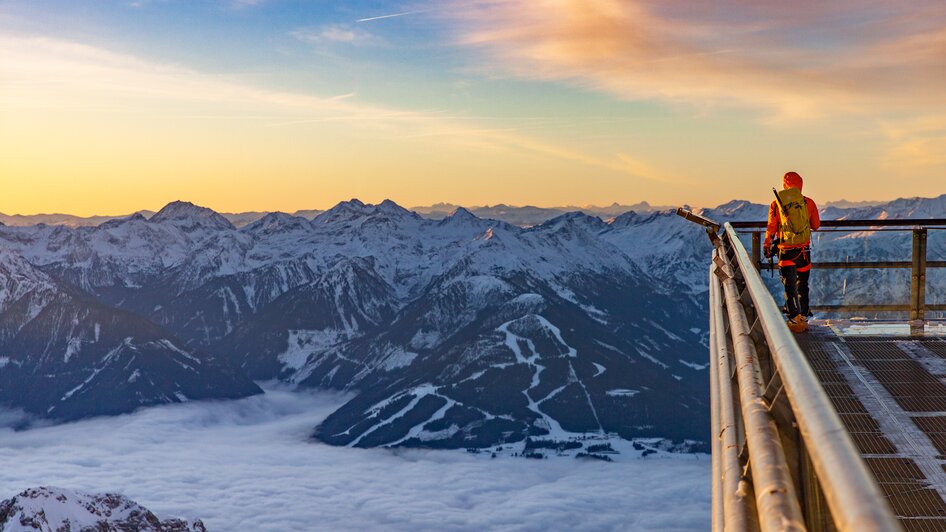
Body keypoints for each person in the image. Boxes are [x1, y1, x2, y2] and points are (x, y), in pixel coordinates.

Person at [764, 171, 821, 333]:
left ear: (784, 185)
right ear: (800, 185)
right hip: (803, 251)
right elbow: (816, 225)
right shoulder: (808, 203)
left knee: (789, 286)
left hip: (786, 252)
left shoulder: (776, 204)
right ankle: (803, 316)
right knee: (802, 284)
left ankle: (793, 319)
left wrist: (767, 244)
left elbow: (771, 228)